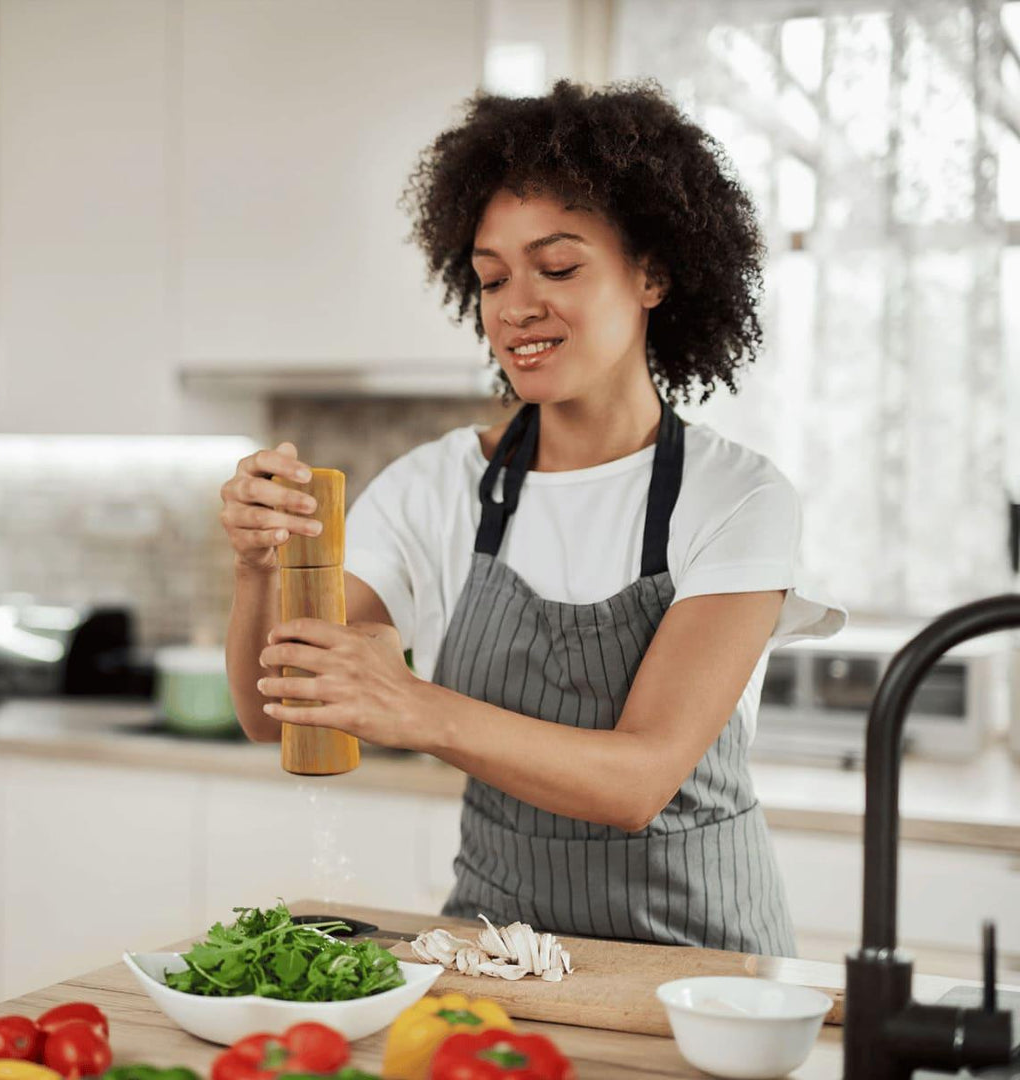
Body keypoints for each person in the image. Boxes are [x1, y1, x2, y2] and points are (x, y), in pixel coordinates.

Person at [219, 78, 847, 956]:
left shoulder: (736, 497)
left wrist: (411, 704)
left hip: (701, 978)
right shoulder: (434, 487)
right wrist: (259, 567)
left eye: (558, 268)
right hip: (491, 958)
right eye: (490, 278)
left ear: (653, 273)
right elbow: (272, 713)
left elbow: (638, 780)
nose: (517, 306)